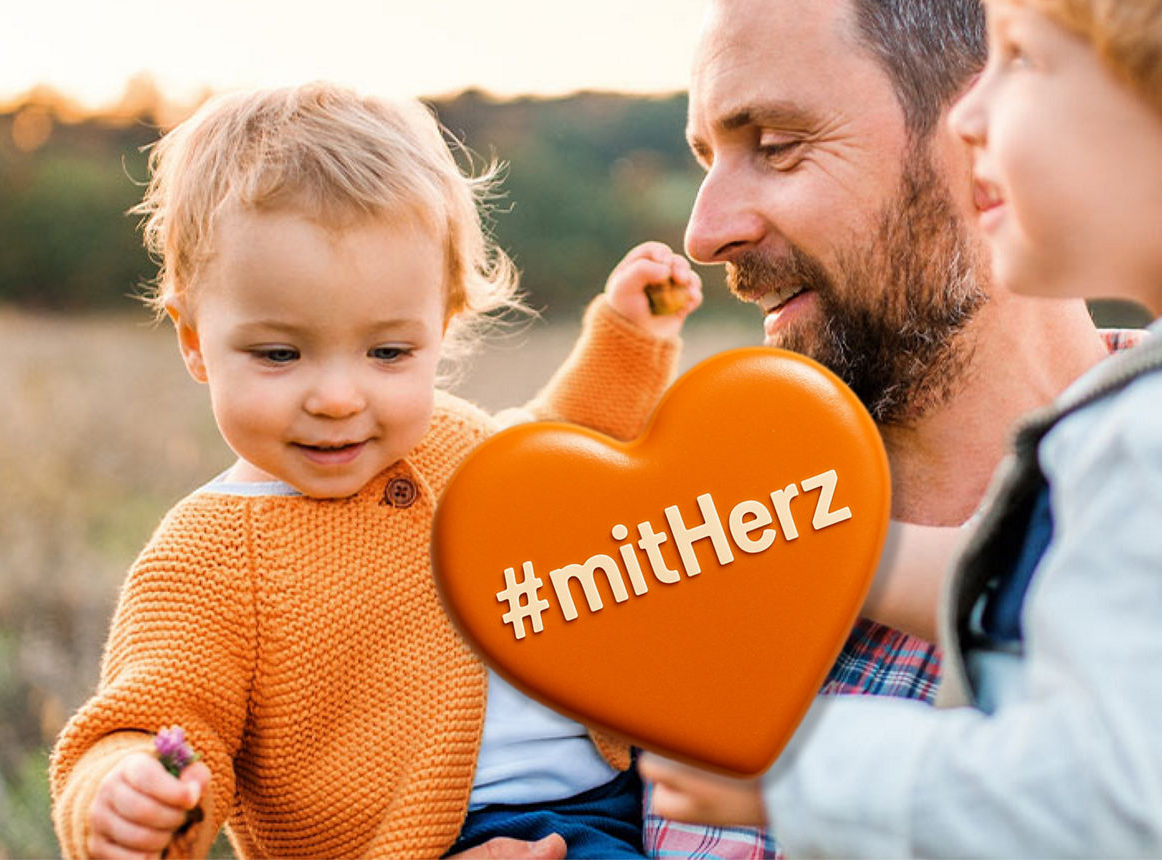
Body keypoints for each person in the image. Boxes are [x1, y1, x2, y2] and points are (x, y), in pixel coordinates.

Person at [643, 0, 1162, 854]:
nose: (702, 234)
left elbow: (1128, 796)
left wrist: (800, 768)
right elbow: (1007, 570)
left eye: (778, 144)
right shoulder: (695, 548)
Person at [47, 83, 703, 859]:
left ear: (444, 323)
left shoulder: (457, 442)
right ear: (194, 340)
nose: (335, 397)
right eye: (279, 354)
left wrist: (628, 339)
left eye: (388, 352)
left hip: (622, 791)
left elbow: (561, 458)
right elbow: (158, 717)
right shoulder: (208, 556)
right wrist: (128, 790)